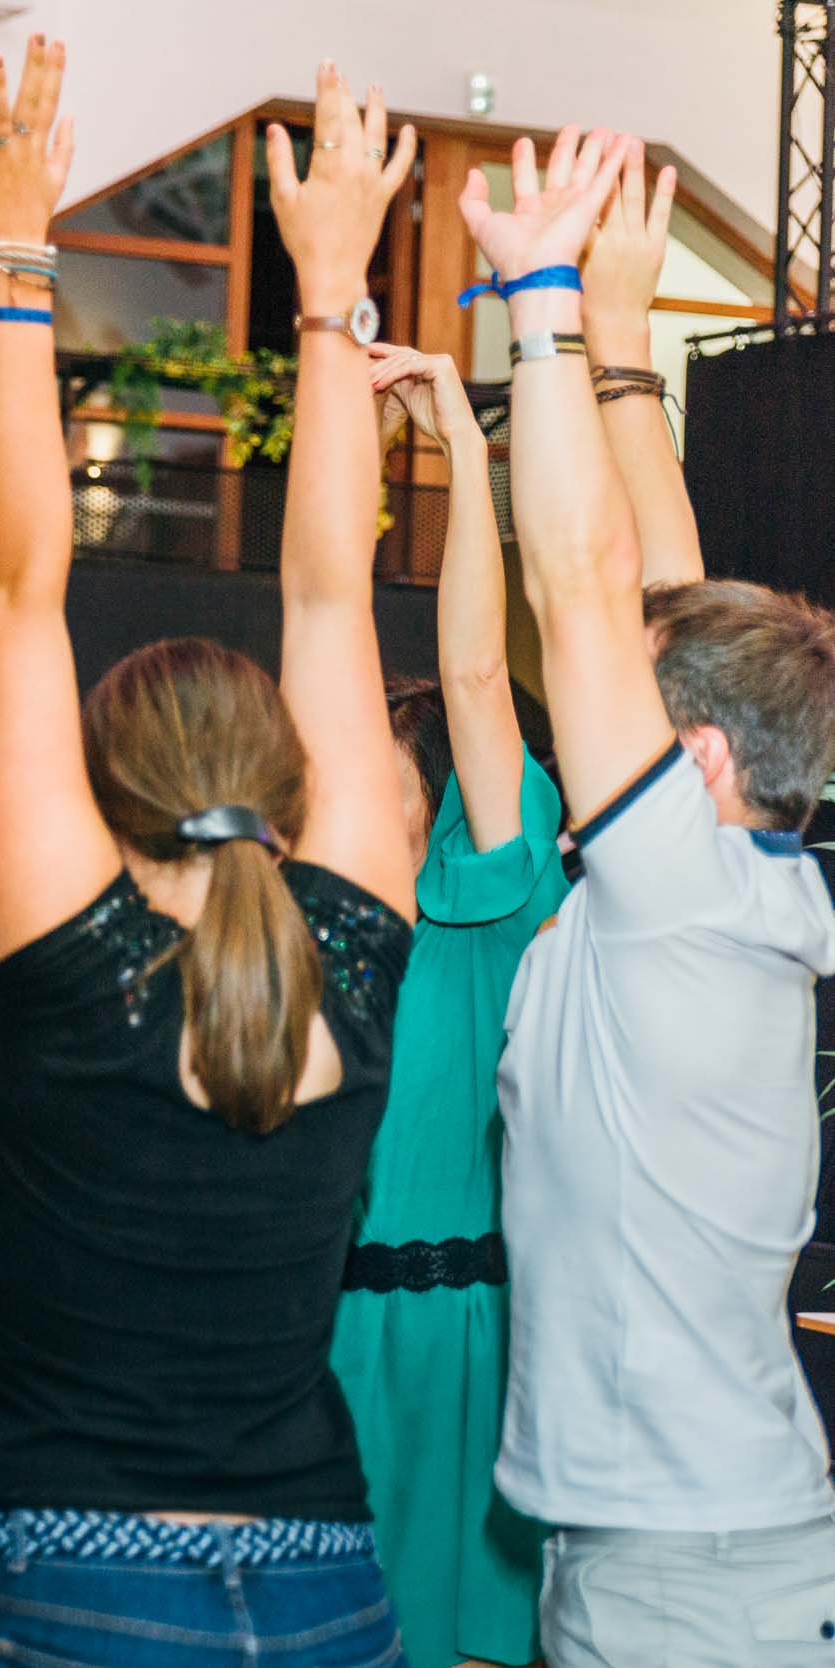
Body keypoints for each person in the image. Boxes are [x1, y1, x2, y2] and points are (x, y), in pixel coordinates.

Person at [0, 48, 419, 1665]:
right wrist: (332, 289)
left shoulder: (78, 966)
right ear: (296, 787)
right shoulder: (344, 955)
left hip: (74, 1584)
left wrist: (15, 252)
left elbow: (16, 585)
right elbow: (337, 593)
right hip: (323, 1582)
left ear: (100, 796)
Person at [461, 124, 835, 1663]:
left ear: (689, 756)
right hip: (691, 1539)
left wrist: (539, 291)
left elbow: (576, 575)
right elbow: (656, 582)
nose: (579, 685)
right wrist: (623, 349)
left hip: (690, 1573)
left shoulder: (677, 891)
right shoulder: (738, 884)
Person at [327, 345, 565, 1668]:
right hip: (315, 1337)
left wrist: (461, 452)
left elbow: (476, 677)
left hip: (454, 1346)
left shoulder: (492, 910)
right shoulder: (327, 935)